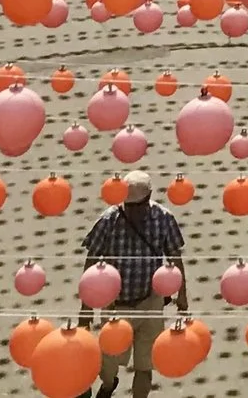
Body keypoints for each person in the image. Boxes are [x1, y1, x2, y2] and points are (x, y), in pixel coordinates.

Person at [83, 171, 184, 398]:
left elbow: (175, 258)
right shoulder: (109, 220)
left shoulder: (163, 218)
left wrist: (182, 294)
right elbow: (91, 259)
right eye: (128, 206)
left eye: (138, 205)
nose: (133, 211)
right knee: (107, 363)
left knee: (145, 365)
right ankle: (109, 385)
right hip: (116, 307)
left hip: (151, 302)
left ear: (148, 198)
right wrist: (86, 306)